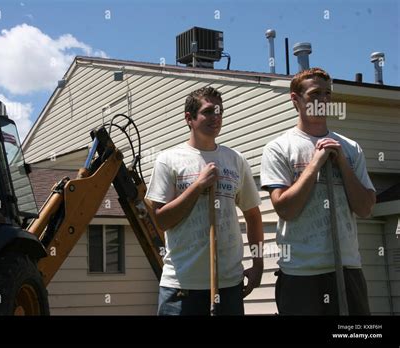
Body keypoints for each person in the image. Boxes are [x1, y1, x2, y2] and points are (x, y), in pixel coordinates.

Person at [260, 67, 376, 315]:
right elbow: (286, 209)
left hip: (348, 269)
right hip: (302, 273)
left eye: (327, 93)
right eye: (314, 94)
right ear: (295, 99)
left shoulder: (350, 147)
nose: (323, 100)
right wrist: (315, 163)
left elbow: (365, 208)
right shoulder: (279, 148)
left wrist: (343, 163)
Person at [146, 86, 264, 315]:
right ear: (189, 118)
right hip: (181, 287)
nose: (216, 117)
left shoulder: (235, 160)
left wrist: (258, 264)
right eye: (208, 111)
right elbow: (160, 220)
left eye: (219, 111)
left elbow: (253, 215)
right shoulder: (168, 160)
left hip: (228, 283)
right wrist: (198, 186)